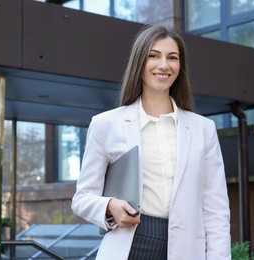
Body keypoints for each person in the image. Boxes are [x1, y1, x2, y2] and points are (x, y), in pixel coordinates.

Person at [71, 24, 231, 260]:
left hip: (187, 248)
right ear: (139, 62)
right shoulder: (106, 124)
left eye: (172, 57)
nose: (164, 65)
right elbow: (82, 198)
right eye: (153, 56)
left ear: (180, 66)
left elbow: (216, 209)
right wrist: (109, 206)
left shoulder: (203, 129)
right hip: (131, 243)